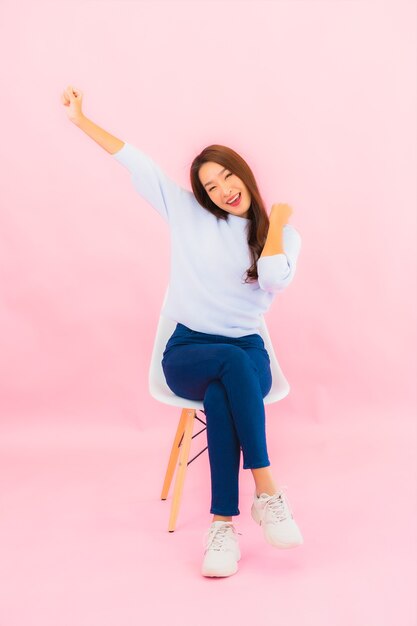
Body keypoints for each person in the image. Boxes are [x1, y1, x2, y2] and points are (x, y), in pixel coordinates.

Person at [61, 84, 304, 578]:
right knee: (225, 371)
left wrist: (275, 221)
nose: (222, 191)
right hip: (187, 351)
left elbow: (276, 278)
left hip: (247, 355)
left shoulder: (282, 237)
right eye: (210, 187)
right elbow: (139, 163)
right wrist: (81, 121)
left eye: (226, 177)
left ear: (243, 173)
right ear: (201, 195)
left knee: (224, 391)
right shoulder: (189, 215)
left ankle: (220, 526)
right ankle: (267, 490)